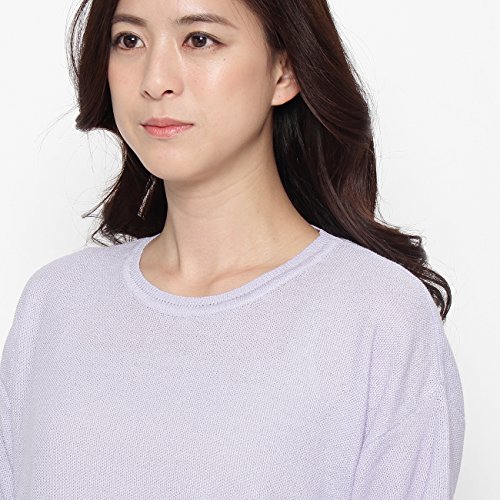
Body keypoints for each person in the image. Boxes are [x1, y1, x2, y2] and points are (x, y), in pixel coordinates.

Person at [1, 0, 465, 498]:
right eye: (129, 40)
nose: (155, 81)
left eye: (199, 39)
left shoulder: (378, 316)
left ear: (284, 70)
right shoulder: (57, 301)